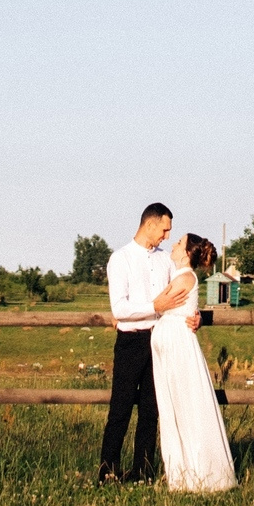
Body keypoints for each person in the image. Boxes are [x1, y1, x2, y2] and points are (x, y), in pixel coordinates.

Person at [147, 232, 237, 491]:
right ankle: (182, 471)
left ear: (187, 253)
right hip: (168, 343)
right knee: (172, 406)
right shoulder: (178, 274)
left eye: (179, 243)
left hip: (177, 345)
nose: (173, 244)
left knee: (185, 405)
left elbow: (158, 303)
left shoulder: (185, 277)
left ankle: (202, 473)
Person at [99, 202, 177, 483]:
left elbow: (178, 297)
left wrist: (193, 317)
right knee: (119, 409)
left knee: (150, 412)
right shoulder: (120, 259)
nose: (167, 236)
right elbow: (119, 309)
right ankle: (107, 471)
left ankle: (143, 472)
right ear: (151, 224)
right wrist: (155, 305)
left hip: (158, 341)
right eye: (165, 230)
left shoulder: (165, 260)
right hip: (131, 341)